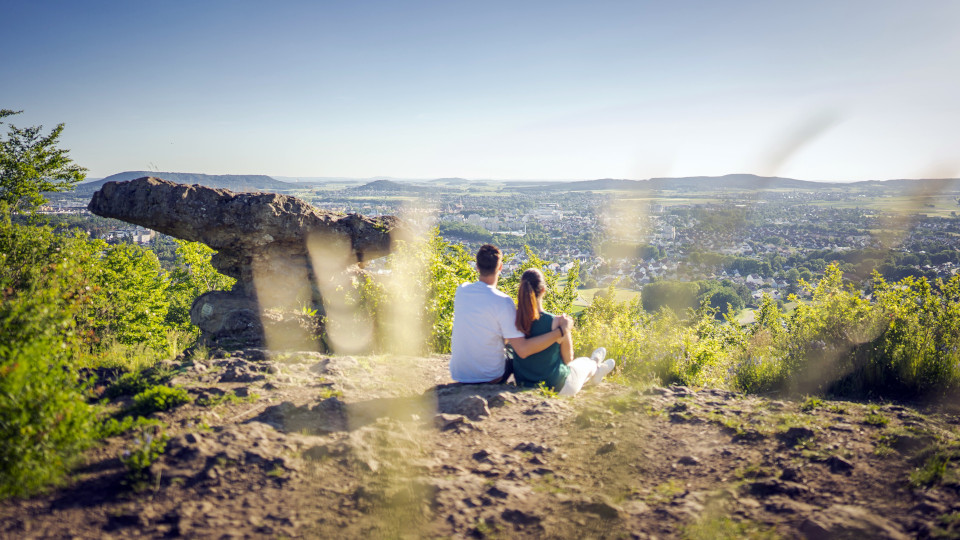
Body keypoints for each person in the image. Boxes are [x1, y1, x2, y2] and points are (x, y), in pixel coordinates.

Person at [450, 245, 570, 384]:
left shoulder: (462, 290)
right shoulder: (503, 301)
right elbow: (523, 350)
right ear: (500, 267)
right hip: (491, 376)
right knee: (514, 355)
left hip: (459, 373)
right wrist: (560, 331)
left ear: (477, 266)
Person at [511, 268, 615, 396]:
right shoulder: (557, 322)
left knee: (579, 365)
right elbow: (568, 359)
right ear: (543, 290)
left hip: (524, 386)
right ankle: (596, 366)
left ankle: (597, 366)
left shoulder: (512, 320)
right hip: (559, 388)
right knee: (583, 362)